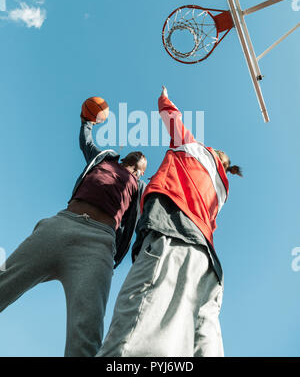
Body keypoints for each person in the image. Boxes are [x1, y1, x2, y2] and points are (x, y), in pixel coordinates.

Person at [96, 85, 242, 358]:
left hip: (171, 236)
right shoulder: (222, 191)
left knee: (130, 341)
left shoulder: (195, 149)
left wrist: (163, 96)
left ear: (213, 152)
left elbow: (169, 113)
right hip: (208, 265)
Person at [0, 114, 147, 357]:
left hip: (98, 246)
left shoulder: (140, 187)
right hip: (60, 226)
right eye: (138, 160)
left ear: (142, 174)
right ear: (125, 156)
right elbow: (86, 142)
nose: (140, 161)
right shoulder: (103, 159)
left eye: (142, 167)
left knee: (86, 339)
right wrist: (87, 121)